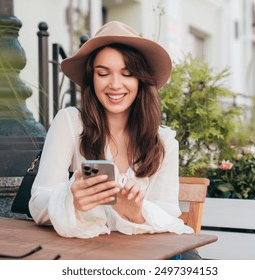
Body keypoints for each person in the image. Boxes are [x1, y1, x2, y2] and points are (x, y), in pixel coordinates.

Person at [29, 21, 202, 259]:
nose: (115, 84)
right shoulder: (70, 122)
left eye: (127, 74)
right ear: (92, 79)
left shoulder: (164, 142)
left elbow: (169, 217)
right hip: (87, 256)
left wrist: (136, 213)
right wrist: (72, 200)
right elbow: (38, 204)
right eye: (103, 73)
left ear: (140, 80)